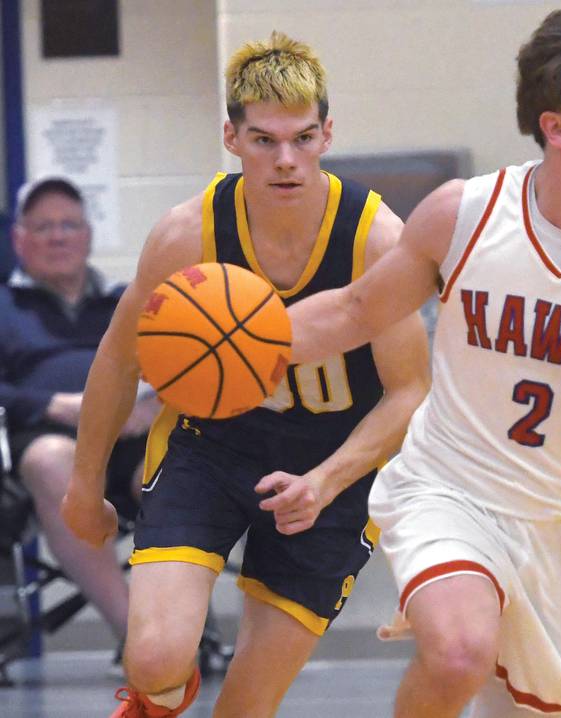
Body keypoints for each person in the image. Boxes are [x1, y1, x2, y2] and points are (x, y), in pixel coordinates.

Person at [281, 8, 561, 718]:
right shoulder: (466, 214)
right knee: (456, 653)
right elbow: (355, 309)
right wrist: (247, 338)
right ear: (555, 128)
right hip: (451, 490)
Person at [61, 32, 430, 718]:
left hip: (331, 467)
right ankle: (155, 702)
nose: (285, 160)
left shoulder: (375, 238)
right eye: (264, 140)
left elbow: (411, 389)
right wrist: (85, 485)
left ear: (327, 135)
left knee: (248, 705)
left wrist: (326, 481)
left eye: (302, 137)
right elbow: (118, 356)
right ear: (231, 137)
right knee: (154, 659)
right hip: (211, 447)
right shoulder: (188, 233)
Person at [0, 177, 159, 652]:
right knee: (54, 461)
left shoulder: (125, 304)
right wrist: (52, 405)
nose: (58, 236)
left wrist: (154, 406)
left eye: (69, 224)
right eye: (43, 226)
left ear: (88, 235)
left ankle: (178, 628)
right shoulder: (5, 307)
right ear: (19, 239)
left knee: (175, 469)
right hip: (44, 443)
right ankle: (137, 640)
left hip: (129, 437)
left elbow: (184, 367)